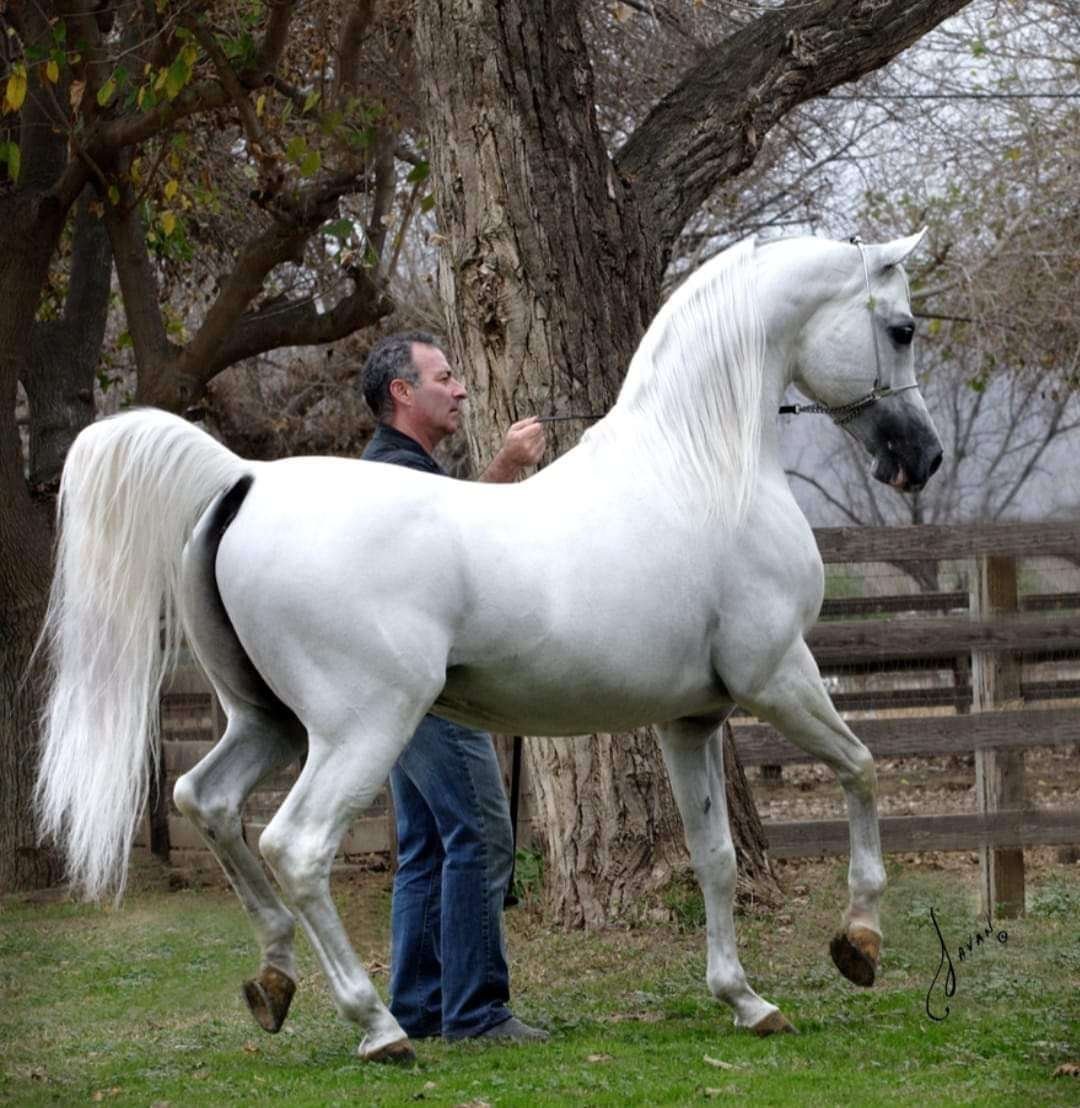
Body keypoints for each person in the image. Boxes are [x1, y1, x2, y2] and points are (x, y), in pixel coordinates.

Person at [360, 330, 548, 1043]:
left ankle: (418, 1007)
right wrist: (506, 466)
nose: (461, 388)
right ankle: (477, 1013)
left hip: (400, 690)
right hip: (428, 690)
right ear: (402, 392)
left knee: (428, 846)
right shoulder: (393, 475)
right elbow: (458, 540)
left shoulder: (402, 469)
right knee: (481, 834)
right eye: (444, 377)